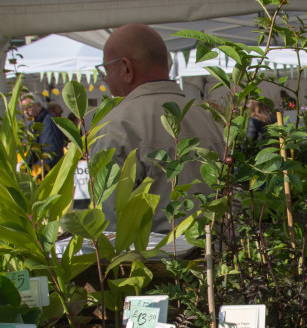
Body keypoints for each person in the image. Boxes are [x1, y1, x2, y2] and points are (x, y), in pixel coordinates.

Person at [94, 23, 225, 234]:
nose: (106, 80)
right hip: (216, 258)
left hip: (152, 263)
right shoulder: (209, 119)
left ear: (126, 68)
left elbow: (109, 228)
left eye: (105, 71)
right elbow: (233, 201)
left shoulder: (116, 127)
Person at [21, 95, 65, 171]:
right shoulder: (32, 124)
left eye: (28, 107)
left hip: (47, 173)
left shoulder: (48, 122)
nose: (25, 112)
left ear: (38, 105)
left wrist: (36, 171)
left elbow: (51, 152)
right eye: (23, 109)